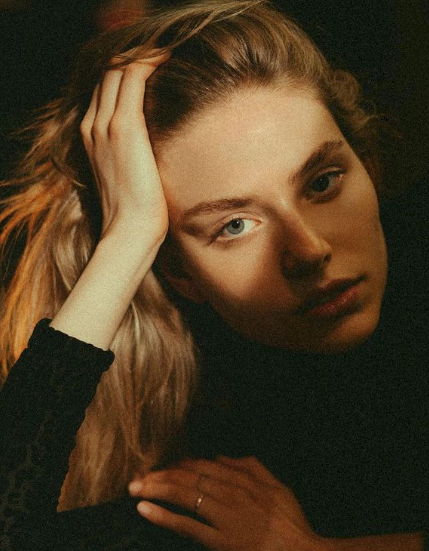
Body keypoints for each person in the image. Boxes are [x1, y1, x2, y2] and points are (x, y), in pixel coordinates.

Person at [0, 0, 427, 549]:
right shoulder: (201, 470)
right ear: (180, 273)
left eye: (322, 182)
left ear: (366, 161)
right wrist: (127, 238)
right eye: (234, 225)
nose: (309, 249)